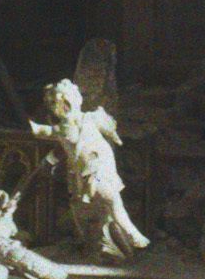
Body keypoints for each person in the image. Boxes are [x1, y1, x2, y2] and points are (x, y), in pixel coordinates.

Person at [30, 78, 149, 260]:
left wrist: (115, 136)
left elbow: (107, 126)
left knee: (111, 201)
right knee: (100, 207)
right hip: (85, 174)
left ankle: (130, 236)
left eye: (61, 103)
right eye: (53, 104)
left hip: (101, 167)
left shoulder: (90, 118)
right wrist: (33, 129)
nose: (58, 107)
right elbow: (47, 135)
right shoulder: (62, 128)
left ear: (72, 101)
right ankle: (110, 242)